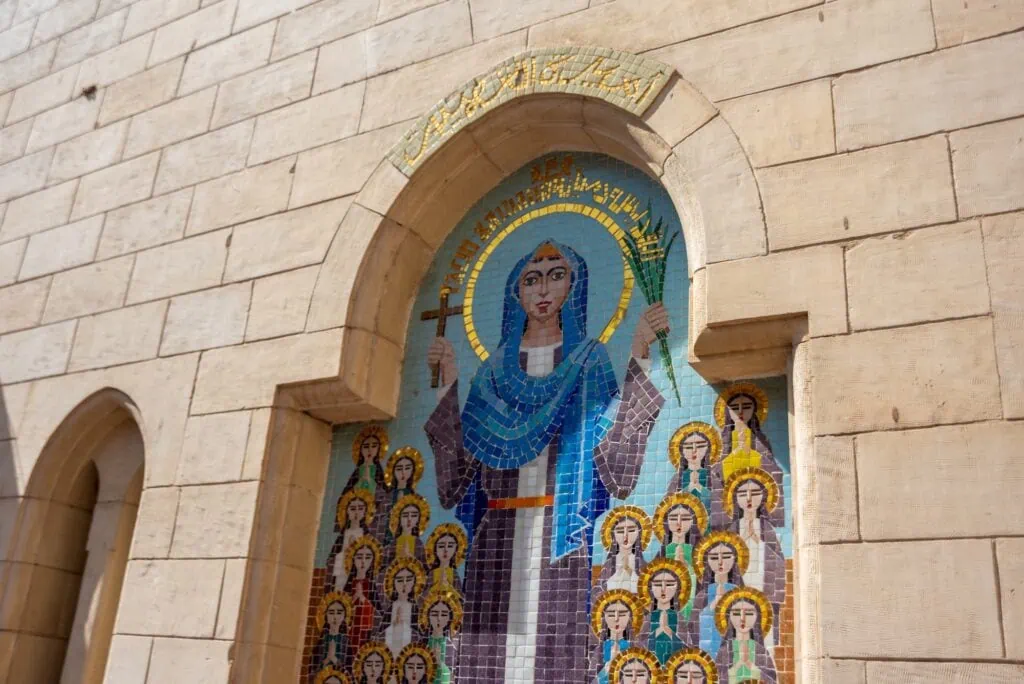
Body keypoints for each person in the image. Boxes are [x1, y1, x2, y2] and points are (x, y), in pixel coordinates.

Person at [424, 241, 668, 683]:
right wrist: (448, 387)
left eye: (557, 275)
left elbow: (612, 459)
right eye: (531, 279)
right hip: (496, 534)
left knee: (557, 650)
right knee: (487, 652)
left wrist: (639, 354)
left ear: (574, 287)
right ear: (515, 293)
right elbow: (459, 477)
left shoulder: (589, 360)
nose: (543, 288)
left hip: (562, 528)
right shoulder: (494, 370)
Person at [724, 469, 785, 644]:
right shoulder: (733, 529)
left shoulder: (767, 529)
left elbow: (778, 562)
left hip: (762, 584)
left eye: (755, 493)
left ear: (764, 497)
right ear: (735, 499)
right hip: (738, 588)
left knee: (764, 636)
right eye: (743, 494)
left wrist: (761, 542)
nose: (749, 499)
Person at [711, 385, 784, 529]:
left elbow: (775, 473)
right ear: (727, 412)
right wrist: (735, 454)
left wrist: (751, 453)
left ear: (754, 410)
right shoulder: (722, 442)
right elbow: (714, 473)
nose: (740, 411)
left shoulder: (761, 440)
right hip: (730, 498)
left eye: (746, 406)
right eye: (734, 407)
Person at [691, 532, 748, 659]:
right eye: (714, 558)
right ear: (707, 561)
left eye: (727, 557)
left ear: (735, 560)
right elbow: (694, 627)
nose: (721, 562)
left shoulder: (739, 593)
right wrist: (714, 604)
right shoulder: (702, 595)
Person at [653, 493, 706, 620]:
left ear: (693, 522)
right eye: (673, 518)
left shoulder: (699, 551)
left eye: (685, 518)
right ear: (666, 522)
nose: (679, 523)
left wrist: (687, 567)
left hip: (693, 601)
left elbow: (706, 580)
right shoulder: (663, 552)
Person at [713, 588, 776, 684]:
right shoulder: (725, 650)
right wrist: (738, 665)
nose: (742, 619)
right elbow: (717, 678)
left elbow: (771, 680)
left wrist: (750, 665)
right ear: (729, 617)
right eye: (736, 613)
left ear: (757, 618)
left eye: (749, 613)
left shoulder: (760, 650)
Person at [665, 422, 720, 524]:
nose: (694, 451)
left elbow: (721, 507)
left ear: (708, 449)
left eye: (700, 446)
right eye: (689, 447)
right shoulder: (677, 479)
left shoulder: (712, 478)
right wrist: (689, 488)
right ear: (682, 451)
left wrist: (700, 489)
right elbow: (667, 507)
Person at [638, 558, 691, 665]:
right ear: (650, 589)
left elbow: (688, 648)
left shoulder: (679, 618)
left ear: (678, 588)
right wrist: (657, 632)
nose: (663, 589)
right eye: (657, 585)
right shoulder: (647, 618)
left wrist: (669, 632)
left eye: (669, 584)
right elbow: (638, 647)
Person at [326, 489, 375, 592]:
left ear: (365, 511)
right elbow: (332, 556)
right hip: (342, 570)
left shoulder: (365, 534)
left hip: (358, 570)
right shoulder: (343, 534)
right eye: (353, 509)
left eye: (360, 508)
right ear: (347, 511)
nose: (356, 512)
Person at [342, 536, 383, 657]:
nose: (363, 561)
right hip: (350, 630)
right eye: (359, 557)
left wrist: (363, 600)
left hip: (365, 631)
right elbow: (342, 605)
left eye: (368, 557)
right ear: (353, 559)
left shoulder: (371, 585)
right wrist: (354, 598)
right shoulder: (349, 584)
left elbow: (378, 612)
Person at [596, 506, 652, 595]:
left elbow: (649, 593)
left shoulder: (643, 565)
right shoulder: (609, 564)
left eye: (631, 530)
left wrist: (630, 573)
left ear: (639, 534)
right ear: (613, 535)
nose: (625, 536)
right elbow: (598, 592)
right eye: (620, 531)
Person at [590, 590, 643, 684]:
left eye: (622, 614)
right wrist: (608, 667)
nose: (616, 619)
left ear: (630, 617)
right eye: (610, 614)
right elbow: (592, 680)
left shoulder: (636, 649)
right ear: (604, 619)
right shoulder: (599, 650)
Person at [380, 558, 426, 660]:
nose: (404, 584)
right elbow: (381, 632)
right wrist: (393, 626)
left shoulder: (414, 608)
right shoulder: (391, 608)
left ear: (414, 583)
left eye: (408, 580)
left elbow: (420, 633)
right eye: (400, 580)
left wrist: (404, 626)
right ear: (393, 583)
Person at [376, 447, 424, 542]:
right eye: (399, 469)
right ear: (393, 471)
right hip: (387, 537)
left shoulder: (412, 497)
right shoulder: (388, 496)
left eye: (407, 468)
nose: (403, 472)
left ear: (413, 471)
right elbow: (379, 517)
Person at [419, 587, 462, 684]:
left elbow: (454, 677)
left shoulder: (452, 645)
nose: (438, 618)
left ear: (449, 618)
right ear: (428, 616)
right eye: (434, 614)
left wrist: (439, 663)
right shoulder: (422, 644)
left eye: (443, 614)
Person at [311, 592, 353, 676]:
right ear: (325, 616)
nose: (335, 617)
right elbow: (313, 668)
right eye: (331, 612)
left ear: (344, 617)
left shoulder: (345, 642)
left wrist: (334, 659)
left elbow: (348, 670)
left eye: (339, 613)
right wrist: (327, 659)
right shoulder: (322, 641)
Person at [344, 426, 389, 496]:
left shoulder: (377, 470)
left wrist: (369, 480)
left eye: (374, 446)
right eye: (366, 446)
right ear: (360, 449)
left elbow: (383, 492)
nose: (369, 450)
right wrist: (362, 480)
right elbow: (348, 491)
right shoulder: (358, 470)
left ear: (379, 449)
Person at [424, 523, 467, 595]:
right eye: (441, 546)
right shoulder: (432, 574)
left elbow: (460, 598)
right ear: (435, 549)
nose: (445, 550)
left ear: (456, 550)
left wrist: (448, 586)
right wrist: (436, 585)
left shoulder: (454, 574)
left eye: (450, 546)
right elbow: (423, 598)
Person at [386, 494, 429, 565]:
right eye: (405, 515)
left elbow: (423, 568)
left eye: (414, 516)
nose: (409, 519)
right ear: (398, 518)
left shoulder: (418, 543)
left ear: (419, 520)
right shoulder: (393, 544)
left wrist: (410, 556)